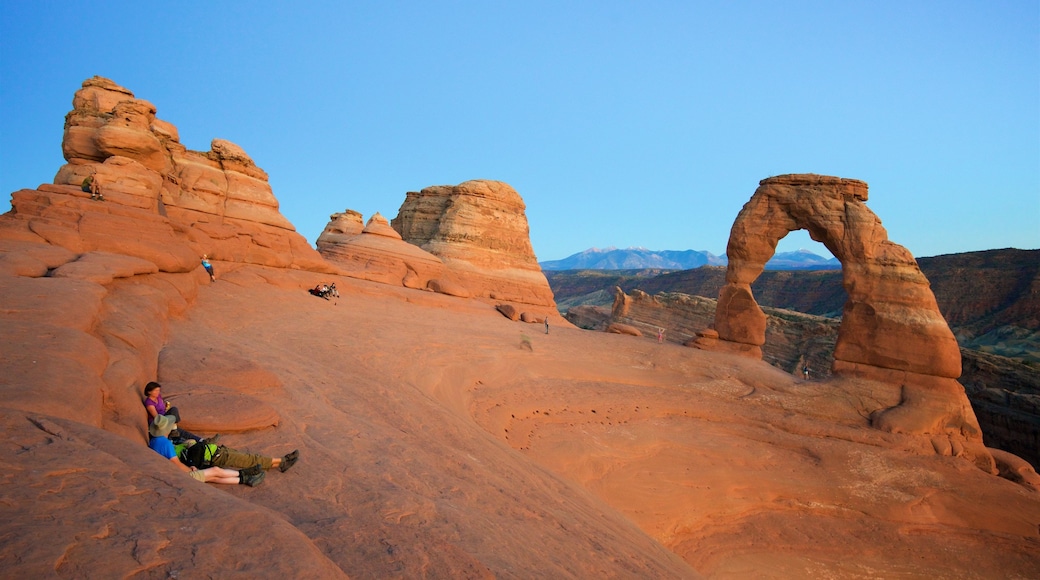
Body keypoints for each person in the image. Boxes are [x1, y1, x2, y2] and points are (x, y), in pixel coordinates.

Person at [148, 415, 265, 487]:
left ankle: (244, 479)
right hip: (184, 475)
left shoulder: (154, 441)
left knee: (212, 477)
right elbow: (176, 464)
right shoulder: (166, 444)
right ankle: (243, 473)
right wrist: (192, 469)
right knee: (215, 470)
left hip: (173, 473)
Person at [179, 429, 300, 473]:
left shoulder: (172, 440)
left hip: (219, 451)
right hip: (217, 457)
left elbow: (183, 432)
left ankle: (280, 464)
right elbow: (191, 464)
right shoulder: (168, 447)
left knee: (249, 458)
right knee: (250, 459)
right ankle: (283, 461)